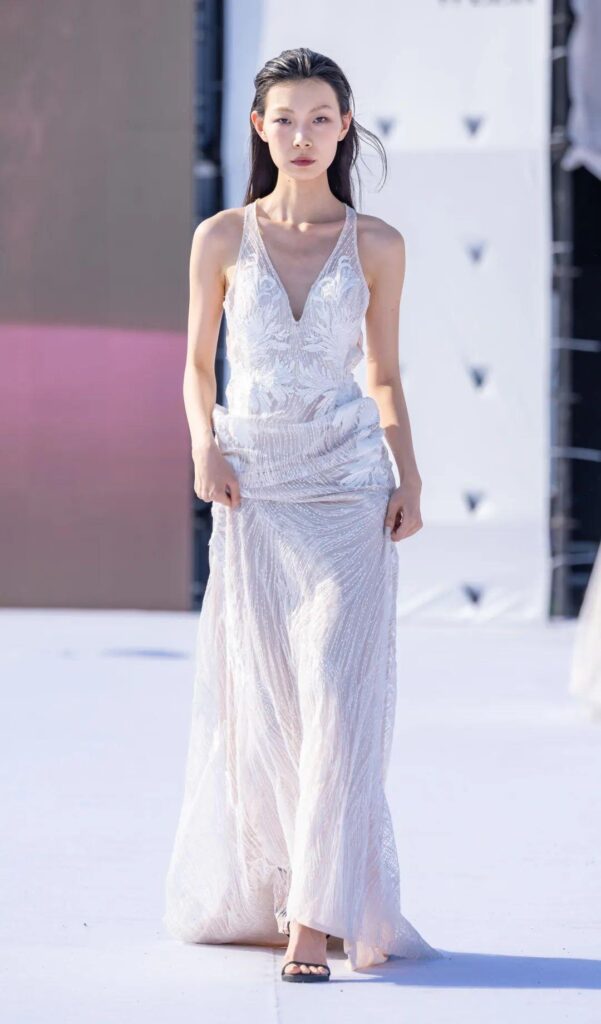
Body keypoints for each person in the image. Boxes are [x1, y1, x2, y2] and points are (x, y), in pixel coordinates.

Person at [163, 46, 441, 984]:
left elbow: (385, 374)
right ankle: (284, 888)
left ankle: (315, 923)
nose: (302, 135)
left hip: (349, 486)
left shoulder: (377, 244)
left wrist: (408, 477)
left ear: (345, 127)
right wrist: (201, 445)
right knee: (270, 701)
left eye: (321, 117)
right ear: (258, 127)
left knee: (335, 692)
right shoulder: (219, 237)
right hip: (255, 490)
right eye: (284, 118)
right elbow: (196, 363)